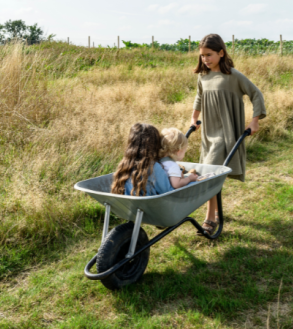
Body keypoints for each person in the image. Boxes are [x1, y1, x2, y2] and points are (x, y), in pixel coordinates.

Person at [189, 34, 266, 235]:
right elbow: (199, 97)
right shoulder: (203, 76)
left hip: (226, 133)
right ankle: (215, 212)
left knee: (208, 175)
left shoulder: (233, 76)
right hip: (208, 133)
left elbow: (256, 94)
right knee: (210, 173)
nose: (205, 59)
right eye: (202, 56)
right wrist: (193, 118)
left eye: (209, 55)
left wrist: (255, 120)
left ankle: (209, 218)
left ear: (221, 53)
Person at [110, 123, 174, 196]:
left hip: (125, 205)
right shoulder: (154, 167)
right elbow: (168, 191)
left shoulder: (125, 163)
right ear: (154, 145)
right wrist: (187, 180)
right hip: (147, 206)